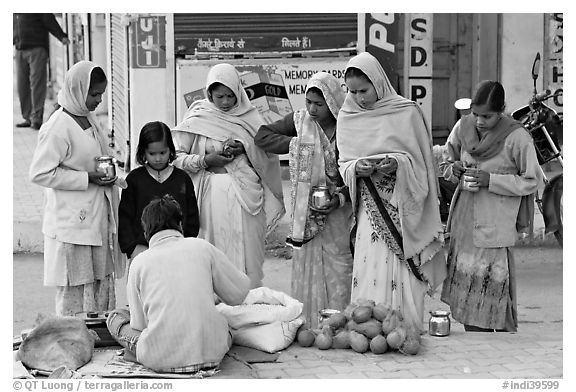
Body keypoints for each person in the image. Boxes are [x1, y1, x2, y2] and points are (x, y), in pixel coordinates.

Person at [336, 52, 446, 333]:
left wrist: (397, 163)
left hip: (401, 206)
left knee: (400, 266)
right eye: (353, 91)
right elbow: (344, 162)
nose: (359, 97)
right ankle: (367, 327)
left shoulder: (406, 112)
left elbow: (421, 161)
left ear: (379, 83)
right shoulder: (347, 116)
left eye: (364, 89)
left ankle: (405, 328)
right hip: (369, 208)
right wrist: (356, 167)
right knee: (369, 262)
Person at [440, 80, 544, 332]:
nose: (479, 121)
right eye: (475, 114)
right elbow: (447, 161)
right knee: (465, 285)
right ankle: (475, 338)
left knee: (490, 285)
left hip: (495, 222)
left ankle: (491, 344)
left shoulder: (516, 137)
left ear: (502, 111)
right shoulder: (462, 127)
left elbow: (532, 180)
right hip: (464, 218)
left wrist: (492, 180)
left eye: (487, 116)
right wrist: (452, 169)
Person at [106, 194, 251, 373]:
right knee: (220, 319)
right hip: (213, 353)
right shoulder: (202, 247)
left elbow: (140, 325)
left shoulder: (140, 262)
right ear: (180, 225)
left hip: (160, 357)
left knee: (116, 317)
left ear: (146, 233)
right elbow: (239, 294)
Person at [171, 63, 285, 288]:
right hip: (208, 198)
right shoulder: (198, 116)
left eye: (230, 96)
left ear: (239, 93)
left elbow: (267, 154)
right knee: (211, 252)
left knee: (246, 253)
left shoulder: (251, 117)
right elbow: (175, 156)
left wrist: (245, 148)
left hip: (245, 197)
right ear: (209, 94)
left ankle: (246, 302)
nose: (225, 102)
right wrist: (205, 160)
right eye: (219, 96)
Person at [254, 72, 353, 329]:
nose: (312, 108)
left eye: (319, 104)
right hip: (307, 213)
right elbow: (262, 136)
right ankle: (309, 324)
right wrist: (299, 145)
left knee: (340, 265)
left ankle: (339, 323)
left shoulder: (349, 127)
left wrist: (340, 197)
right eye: (309, 101)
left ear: (332, 103)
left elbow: (357, 175)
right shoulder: (300, 121)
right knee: (308, 264)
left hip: (339, 212)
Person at [29, 60, 126, 316]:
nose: (99, 101)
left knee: (98, 285)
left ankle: (98, 337)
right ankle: (72, 338)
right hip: (72, 225)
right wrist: (86, 179)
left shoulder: (87, 118)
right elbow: (40, 173)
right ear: (78, 90)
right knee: (75, 289)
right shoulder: (58, 127)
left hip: (95, 220)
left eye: (101, 94)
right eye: (94, 94)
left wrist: (109, 176)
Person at [118, 121, 200, 262]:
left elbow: (192, 217)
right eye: (152, 153)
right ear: (143, 152)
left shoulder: (182, 179)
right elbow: (125, 218)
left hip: (178, 253)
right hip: (142, 253)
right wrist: (132, 248)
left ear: (171, 150)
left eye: (162, 153)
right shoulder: (134, 180)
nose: (157, 158)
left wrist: (186, 244)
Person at [14, 13, 70, 130]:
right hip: (19, 49)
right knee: (21, 85)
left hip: (37, 48)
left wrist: (61, 36)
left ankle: (37, 119)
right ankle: (28, 117)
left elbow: (48, 19)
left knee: (37, 84)